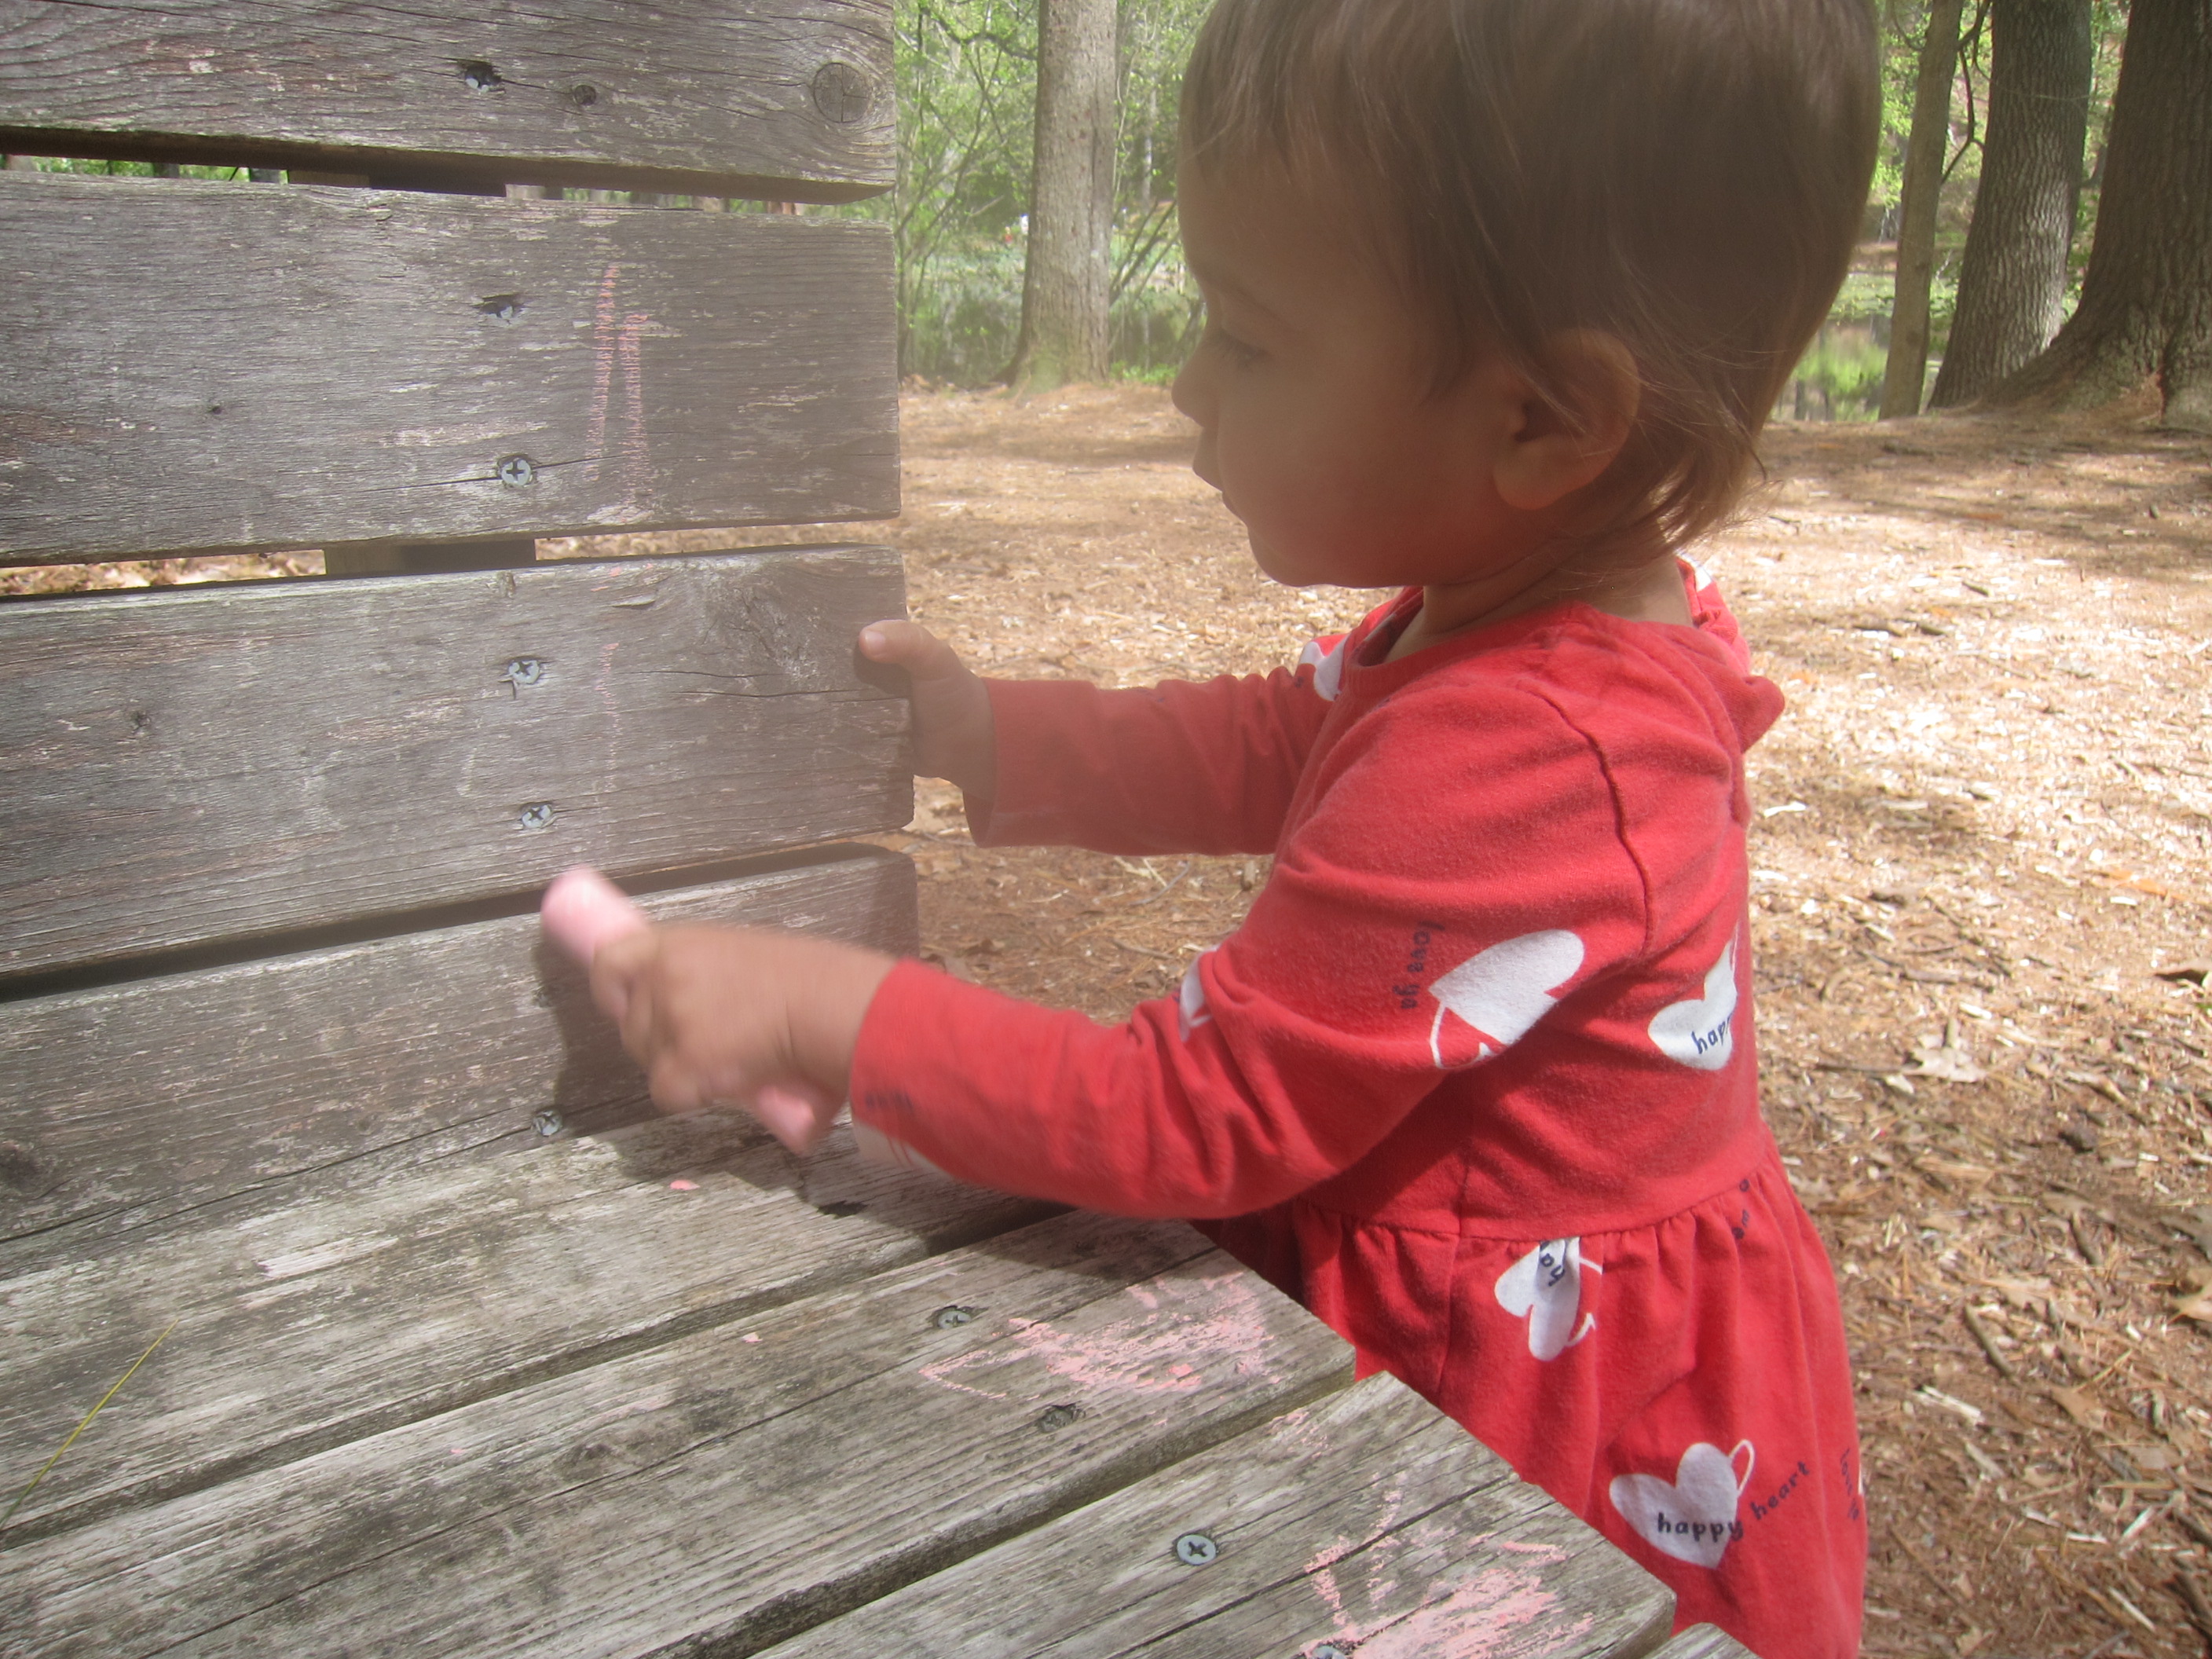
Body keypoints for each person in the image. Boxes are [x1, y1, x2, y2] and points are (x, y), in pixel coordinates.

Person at [548, 1, 1878, 1651]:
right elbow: (1284, 738)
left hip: (1527, 1432)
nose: (1185, 390)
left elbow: (1190, 1114)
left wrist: (825, 1010)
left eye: (1247, 337)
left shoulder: (1541, 749)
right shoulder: (1507, 626)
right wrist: (996, 735)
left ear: (1541, 421)